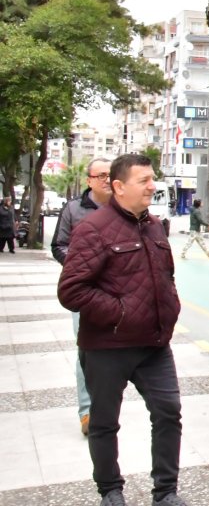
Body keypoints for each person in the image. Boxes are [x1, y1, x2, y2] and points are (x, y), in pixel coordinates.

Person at [56, 154, 186, 506]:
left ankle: (166, 492)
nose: (152, 186)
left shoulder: (155, 226)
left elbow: (166, 276)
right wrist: (122, 312)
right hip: (107, 347)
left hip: (154, 346)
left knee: (168, 413)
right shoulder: (93, 229)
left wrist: (170, 307)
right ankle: (110, 491)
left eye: (152, 178)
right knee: (104, 422)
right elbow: (71, 290)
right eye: (143, 180)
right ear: (118, 186)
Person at [52, 157, 115, 436]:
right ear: (89, 180)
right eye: (101, 175)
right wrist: (82, 268)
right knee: (86, 351)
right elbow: (59, 245)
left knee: (117, 352)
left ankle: (107, 407)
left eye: (110, 174)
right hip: (85, 291)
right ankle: (88, 412)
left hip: (116, 291)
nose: (106, 179)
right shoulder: (74, 209)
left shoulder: (122, 208)